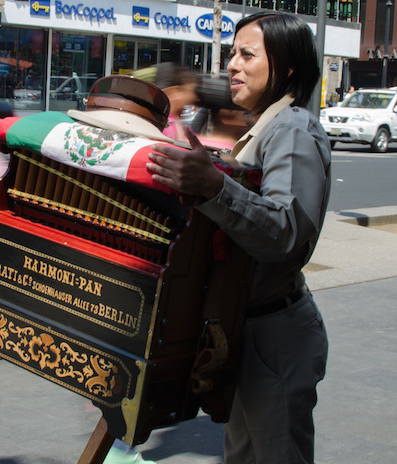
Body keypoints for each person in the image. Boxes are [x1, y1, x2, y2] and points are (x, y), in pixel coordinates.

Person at [147, 11, 330, 464]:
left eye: (247, 55)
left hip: (274, 334)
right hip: (246, 330)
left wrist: (212, 186)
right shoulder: (264, 126)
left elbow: (286, 236)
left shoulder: (292, 127)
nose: (232, 64)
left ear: (286, 67)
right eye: (232, 53)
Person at [154, 64, 199, 142]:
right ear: (173, 91)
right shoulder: (168, 127)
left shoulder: (176, 124)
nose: (194, 97)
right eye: (189, 91)